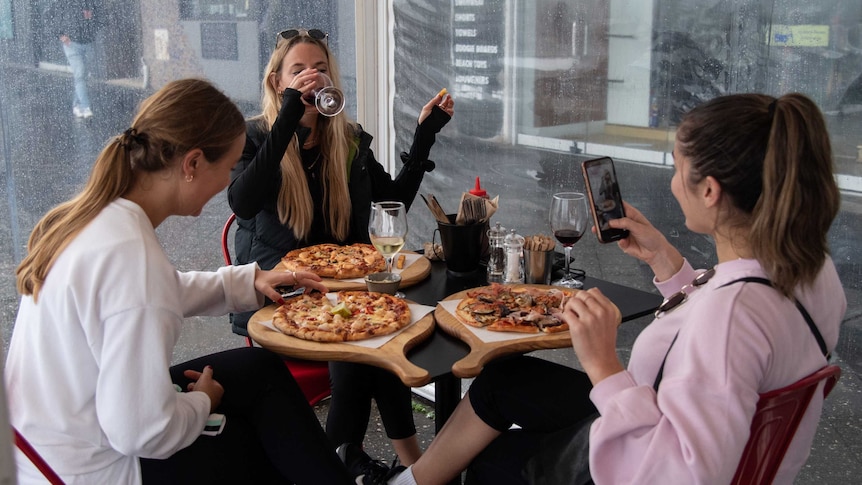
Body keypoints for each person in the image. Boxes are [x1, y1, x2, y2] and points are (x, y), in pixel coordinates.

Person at [346, 92, 846, 485]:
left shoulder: (730, 316)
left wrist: (603, 364)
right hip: (671, 419)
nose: (673, 182)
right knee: (505, 379)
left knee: (494, 461)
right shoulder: (811, 270)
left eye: (678, 168)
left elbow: (682, 473)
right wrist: (666, 262)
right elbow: (726, 336)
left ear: (711, 191)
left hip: (640, 455)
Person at [4, 78, 358, 484]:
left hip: (47, 440)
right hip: (88, 469)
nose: (228, 181)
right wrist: (201, 404)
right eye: (227, 167)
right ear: (191, 164)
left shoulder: (99, 220)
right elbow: (143, 431)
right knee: (256, 445)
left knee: (258, 368)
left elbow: (158, 293)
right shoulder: (134, 262)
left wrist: (250, 279)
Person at [227, 28, 453, 469]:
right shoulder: (254, 136)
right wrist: (290, 115)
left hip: (347, 290)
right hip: (283, 294)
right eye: (299, 70)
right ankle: (358, 466)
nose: (312, 76)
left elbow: (395, 204)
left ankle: (398, 468)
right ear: (278, 82)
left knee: (380, 335)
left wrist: (424, 135)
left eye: (320, 68)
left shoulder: (347, 139)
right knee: (360, 350)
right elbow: (243, 201)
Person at [54, 0, 101, 119]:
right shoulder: (64, 3)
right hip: (72, 44)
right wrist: (60, 35)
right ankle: (86, 107)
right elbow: (51, 16)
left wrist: (92, 19)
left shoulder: (91, 3)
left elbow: (101, 17)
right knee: (80, 73)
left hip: (88, 43)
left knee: (83, 75)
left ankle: (76, 104)